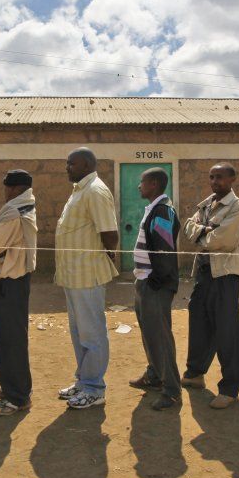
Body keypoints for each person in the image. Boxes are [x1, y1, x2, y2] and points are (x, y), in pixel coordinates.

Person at [182, 162, 239, 410]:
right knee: (199, 323)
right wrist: (206, 231)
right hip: (203, 272)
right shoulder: (206, 204)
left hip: (224, 276)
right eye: (212, 177)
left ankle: (230, 387)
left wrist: (204, 234)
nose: (215, 182)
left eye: (220, 177)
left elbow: (222, 240)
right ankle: (195, 373)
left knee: (227, 331)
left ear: (232, 179)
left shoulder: (237, 207)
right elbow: (188, 227)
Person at [55, 148, 118, 410]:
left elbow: (110, 233)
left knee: (92, 333)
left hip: (87, 274)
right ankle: (83, 381)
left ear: (88, 165)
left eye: (72, 163)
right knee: (79, 332)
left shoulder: (95, 190)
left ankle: (94, 388)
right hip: (72, 274)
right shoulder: (80, 190)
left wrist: (105, 258)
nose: (67, 167)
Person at [0, 169, 37, 416]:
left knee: (11, 339)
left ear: (15, 189)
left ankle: (18, 397)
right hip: (15, 280)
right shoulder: (24, 207)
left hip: (9, 281)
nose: (4, 191)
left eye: (7, 187)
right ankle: (12, 388)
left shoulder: (14, 213)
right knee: (7, 338)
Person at [128, 168, 182, 411]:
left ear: (154, 184)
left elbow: (164, 250)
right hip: (145, 281)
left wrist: (156, 282)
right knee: (149, 333)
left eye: (143, 182)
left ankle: (171, 390)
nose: (139, 186)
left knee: (161, 336)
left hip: (154, 284)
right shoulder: (154, 209)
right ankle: (154, 374)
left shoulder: (163, 211)